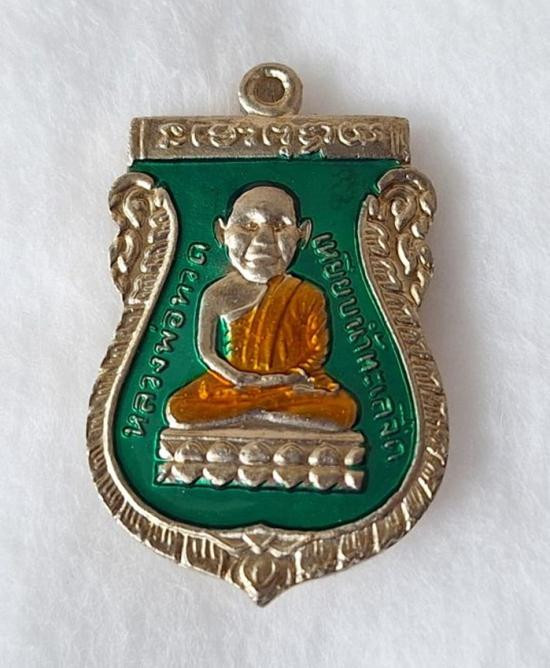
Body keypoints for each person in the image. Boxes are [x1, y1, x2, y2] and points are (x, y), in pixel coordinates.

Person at [166, 184, 357, 431]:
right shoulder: (216, 294)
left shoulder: (308, 295)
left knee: (343, 409)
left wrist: (291, 376)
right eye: (248, 225)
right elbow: (207, 352)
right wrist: (237, 377)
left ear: (302, 234)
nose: (264, 240)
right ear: (222, 232)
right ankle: (265, 411)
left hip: (291, 385)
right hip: (233, 385)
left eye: (279, 226)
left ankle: (253, 411)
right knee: (180, 408)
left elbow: (316, 352)